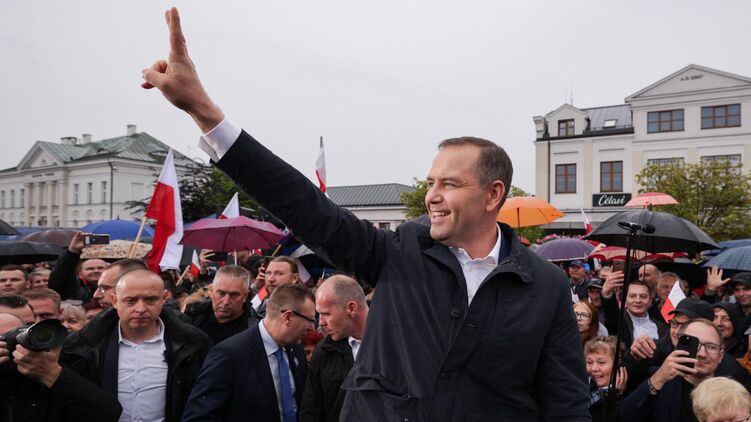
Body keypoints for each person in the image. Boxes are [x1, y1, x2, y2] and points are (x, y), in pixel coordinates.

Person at [143, 8, 590, 420]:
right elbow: (306, 206)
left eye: (449, 184)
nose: (432, 196)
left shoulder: (545, 286)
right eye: (431, 182)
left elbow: (565, 403)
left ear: (493, 194)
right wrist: (204, 112)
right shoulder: (401, 251)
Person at [61, 269, 211, 422]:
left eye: (150, 300)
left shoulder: (192, 344)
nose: (140, 309)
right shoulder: (85, 346)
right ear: (114, 301)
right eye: (131, 301)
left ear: (164, 298)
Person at [182, 284, 313, 421]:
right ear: (287, 317)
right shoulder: (229, 355)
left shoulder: (297, 351)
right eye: (309, 320)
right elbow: (198, 416)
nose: (311, 327)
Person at [0, 313, 123, 421]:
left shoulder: (67, 363)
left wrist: (52, 374)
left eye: (27, 327)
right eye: (4, 337)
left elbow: (108, 413)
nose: (17, 339)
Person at [619, 318, 726, 422]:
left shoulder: (729, 392)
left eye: (711, 347)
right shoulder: (658, 381)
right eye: (695, 344)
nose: (702, 354)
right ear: (679, 346)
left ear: (720, 356)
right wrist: (658, 379)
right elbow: (625, 417)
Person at [301, 275, 369, 422]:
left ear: (351, 308)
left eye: (326, 314)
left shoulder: (395, 342)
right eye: (319, 314)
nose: (321, 322)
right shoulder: (324, 351)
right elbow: (311, 410)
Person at [185, 265, 254, 344]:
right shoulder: (192, 313)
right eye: (221, 293)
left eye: (234, 295)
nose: (226, 302)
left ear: (245, 296)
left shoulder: (254, 332)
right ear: (211, 291)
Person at [603, 280, 668, 351]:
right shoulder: (619, 321)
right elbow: (610, 312)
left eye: (643, 296)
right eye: (632, 296)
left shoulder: (662, 328)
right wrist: (607, 293)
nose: (638, 300)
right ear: (625, 300)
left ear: (650, 301)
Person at [48, 232, 108, 302]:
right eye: (90, 269)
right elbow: (61, 275)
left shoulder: (116, 286)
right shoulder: (73, 287)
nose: (96, 271)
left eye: (100, 268)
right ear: (80, 273)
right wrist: (72, 251)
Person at [585, 336, 628, 422]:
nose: (594, 368)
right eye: (589, 362)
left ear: (617, 365)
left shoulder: (626, 400)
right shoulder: (581, 389)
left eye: (601, 362)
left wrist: (616, 397)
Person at [250, 256, 300, 323]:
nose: (271, 279)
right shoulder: (262, 299)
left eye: (279, 274)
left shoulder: (303, 306)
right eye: (268, 273)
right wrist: (256, 287)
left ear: (294, 278)